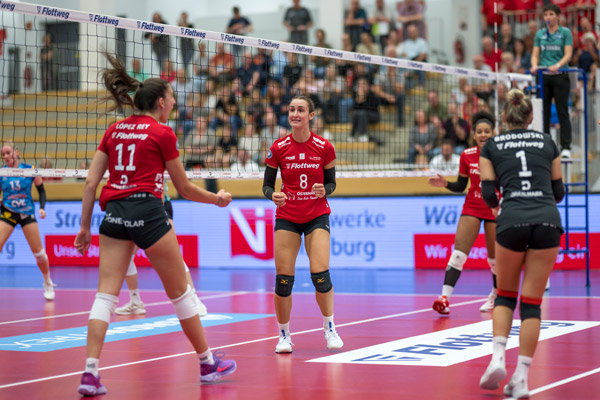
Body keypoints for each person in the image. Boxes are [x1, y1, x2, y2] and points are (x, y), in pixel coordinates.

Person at [74, 52, 236, 396]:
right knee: (181, 295)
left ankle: (90, 372)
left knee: (105, 296)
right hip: (147, 213)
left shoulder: (114, 130)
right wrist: (218, 199)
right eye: (173, 99)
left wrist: (85, 227)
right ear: (161, 102)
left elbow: (91, 184)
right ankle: (208, 363)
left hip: (113, 214)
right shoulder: (162, 133)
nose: (174, 104)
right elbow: (185, 189)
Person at [479, 88, 564, 399]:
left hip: (512, 220)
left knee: (504, 296)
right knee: (532, 304)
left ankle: (498, 358)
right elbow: (558, 191)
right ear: (530, 117)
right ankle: (523, 378)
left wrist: (506, 205)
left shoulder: (493, 145)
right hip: (547, 221)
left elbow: (489, 194)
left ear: (503, 118)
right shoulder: (546, 142)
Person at [262, 96, 343, 353]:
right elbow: (266, 185)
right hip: (287, 216)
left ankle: (329, 327)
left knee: (320, 274)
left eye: (301, 110)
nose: (295, 113)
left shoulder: (324, 146)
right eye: (292, 109)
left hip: (316, 214)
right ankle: (284, 335)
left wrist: (324, 189)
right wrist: (271, 195)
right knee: (283, 280)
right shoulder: (278, 147)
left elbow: (332, 183)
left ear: (311, 115)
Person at [428, 111, 499, 315]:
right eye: (479, 132)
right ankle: (444, 298)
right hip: (473, 206)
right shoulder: (467, 155)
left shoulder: (501, 155)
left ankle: (495, 295)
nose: (483, 134)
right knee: (459, 254)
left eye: (487, 131)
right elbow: (461, 185)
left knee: (494, 260)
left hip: (494, 206)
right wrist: (445, 184)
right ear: (474, 135)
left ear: (493, 133)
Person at [115, 184, 208, 317]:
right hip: (134, 208)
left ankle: (194, 300)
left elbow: (163, 189)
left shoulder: (152, 165)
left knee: (171, 253)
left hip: (158, 206)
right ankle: (135, 302)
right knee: (126, 256)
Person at [1, 143, 54, 300]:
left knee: (39, 254)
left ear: (16, 152)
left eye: (8, 152)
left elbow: (41, 190)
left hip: (26, 213)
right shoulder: (2, 172)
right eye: (3, 154)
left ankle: (47, 282)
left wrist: (42, 207)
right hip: (8, 212)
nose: (5, 156)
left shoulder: (30, 169)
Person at [530, 3, 573, 158]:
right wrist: (534, 65)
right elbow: (535, 53)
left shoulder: (565, 32)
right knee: (543, 112)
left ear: (557, 16)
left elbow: (568, 53)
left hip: (560, 75)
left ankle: (566, 146)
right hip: (543, 77)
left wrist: (557, 65)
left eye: (551, 14)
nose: (548, 17)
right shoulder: (540, 34)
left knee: (562, 112)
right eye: (546, 14)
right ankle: (546, 145)